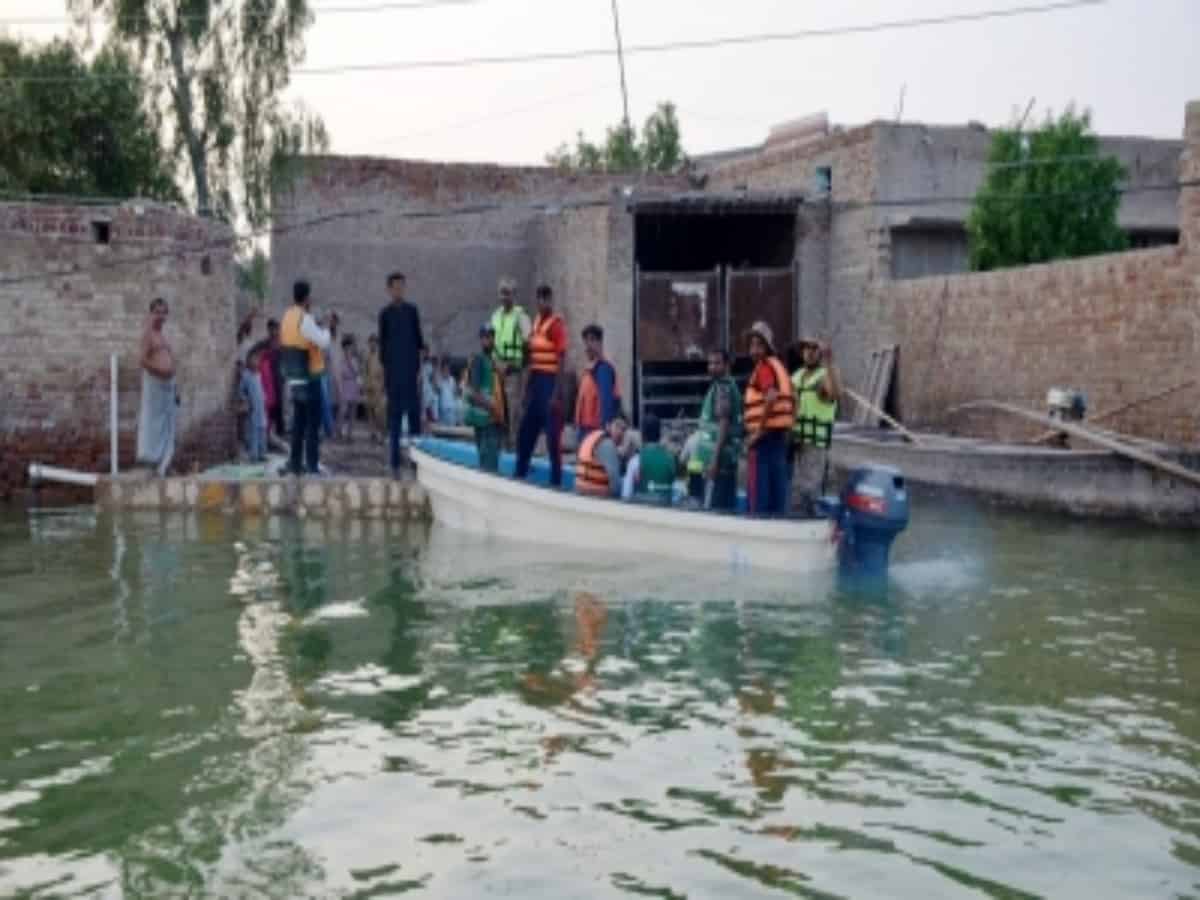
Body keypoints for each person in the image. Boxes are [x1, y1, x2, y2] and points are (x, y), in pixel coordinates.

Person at [515, 284, 567, 487]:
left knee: (553, 439)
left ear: (551, 300)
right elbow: (532, 361)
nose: (544, 302)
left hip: (550, 384)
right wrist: (526, 392)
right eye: (540, 299)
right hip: (537, 383)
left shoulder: (556, 325)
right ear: (537, 301)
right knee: (525, 432)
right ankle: (520, 472)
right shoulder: (536, 323)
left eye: (547, 298)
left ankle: (556, 483)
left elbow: (562, 359)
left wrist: (556, 393)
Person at [279, 279, 331, 476]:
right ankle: (311, 465)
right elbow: (323, 342)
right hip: (310, 376)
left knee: (299, 422)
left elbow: (295, 339)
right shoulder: (305, 318)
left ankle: (294, 463)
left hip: (294, 376)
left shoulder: (287, 316)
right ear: (307, 297)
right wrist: (325, 327)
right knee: (312, 424)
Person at [743, 321, 795, 517]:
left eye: (759, 345)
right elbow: (794, 399)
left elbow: (772, 396)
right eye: (752, 345)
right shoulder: (779, 367)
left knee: (758, 503)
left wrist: (758, 432)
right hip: (778, 440)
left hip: (764, 443)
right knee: (777, 500)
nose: (754, 350)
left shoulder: (764, 367)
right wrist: (788, 428)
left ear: (767, 347)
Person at [378, 272, 426, 476]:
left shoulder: (412, 311)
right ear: (389, 289)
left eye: (402, 287)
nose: (399, 290)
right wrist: (386, 375)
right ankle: (395, 465)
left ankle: (417, 464)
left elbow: (419, 342)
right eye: (395, 287)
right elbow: (382, 348)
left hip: (411, 375)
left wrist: (419, 371)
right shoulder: (385, 314)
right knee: (395, 422)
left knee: (415, 423)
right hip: (394, 377)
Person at [790, 337, 842, 516]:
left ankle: (810, 525)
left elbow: (834, 393)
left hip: (814, 444)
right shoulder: (796, 377)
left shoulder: (825, 376)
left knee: (810, 490)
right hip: (795, 442)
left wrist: (830, 363)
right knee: (795, 490)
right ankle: (794, 525)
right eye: (806, 348)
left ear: (820, 353)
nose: (809, 351)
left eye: (814, 348)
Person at [694, 348, 744, 512]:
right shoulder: (720, 386)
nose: (712, 367)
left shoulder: (724, 387)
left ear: (727, 365)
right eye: (710, 363)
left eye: (717, 363)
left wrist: (714, 461)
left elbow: (724, 424)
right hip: (719, 463)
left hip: (720, 465)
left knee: (717, 512)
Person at [136, 297, 178, 477]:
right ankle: (153, 463)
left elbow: (170, 363)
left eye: (163, 312)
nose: (160, 316)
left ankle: (165, 464)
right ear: (151, 314)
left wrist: (175, 386)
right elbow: (142, 360)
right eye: (157, 312)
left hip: (168, 386)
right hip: (155, 385)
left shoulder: (163, 336)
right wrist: (160, 371)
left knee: (168, 424)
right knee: (154, 424)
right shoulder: (148, 335)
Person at [491, 276, 531, 447]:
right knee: (499, 412)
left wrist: (519, 367)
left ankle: (514, 448)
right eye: (502, 293)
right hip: (497, 370)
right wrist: (495, 363)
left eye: (508, 293)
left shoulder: (521, 317)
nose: (504, 297)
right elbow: (491, 343)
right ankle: (501, 447)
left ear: (514, 295)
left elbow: (529, 345)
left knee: (514, 414)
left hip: (514, 372)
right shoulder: (495, 315)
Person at [464, 324, 507, 472]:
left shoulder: (492, 363)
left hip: (493, 421)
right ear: (481, 340)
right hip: (485, 422)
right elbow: (473, 394)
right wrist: (492, 408)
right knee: (488, 465)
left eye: (491, 337)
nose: (489, 340)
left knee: (491, 462)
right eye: (485, 337)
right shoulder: (478, 361)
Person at [574, 324, 620, 439]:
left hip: (595, 432)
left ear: (600, 343)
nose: (588, 345)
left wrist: (605, 429)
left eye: (592, 340)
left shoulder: (603, 369)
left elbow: (607, 402)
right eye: (586, 341)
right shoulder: (589, 371)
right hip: (584, 430)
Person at [621, 414, 677, 504]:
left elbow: (626, 495)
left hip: (643, 509)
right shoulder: (670, 459)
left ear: (642, 435)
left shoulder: (635, 460)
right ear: (659, 435)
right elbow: (674, 490)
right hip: (666, 507)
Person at [575, 413, 628, 499]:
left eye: (623, 429)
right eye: (617, 426)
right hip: (596, 497)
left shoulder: (593, 436)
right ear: (608, 426)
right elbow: (615, 483)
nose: (620, 432)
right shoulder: (607, 444)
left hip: (581, 492)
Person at [240, 346, 267, 462]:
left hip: (261, 408)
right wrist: (246, 401)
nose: (255, 362)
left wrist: (264, 399)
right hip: (253, 408)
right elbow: (241, 391)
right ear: (248, 361)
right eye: (252, 359)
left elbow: (262, 390)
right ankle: (254, 456)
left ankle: (262, 454)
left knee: (262, 431)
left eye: (257, 359)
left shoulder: (259, 375)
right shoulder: (246, 376)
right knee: (253, 432)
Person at [336, 334, 362, 441]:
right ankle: (339, 431)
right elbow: (342, 373)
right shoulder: (341, 359)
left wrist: (351, 361)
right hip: (345, 385)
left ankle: (349, 434)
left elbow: (357, 372)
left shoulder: (355, 359)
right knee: (343, 411)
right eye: (347, 347)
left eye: (350, 347)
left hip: (354, 385)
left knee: (352, 412)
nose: (349, 349)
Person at [364, 334, 386, 443]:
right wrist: (365, 384)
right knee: (370, 412)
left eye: (374, 342)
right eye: (370, 342)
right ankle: (373, 433)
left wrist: (383, 386)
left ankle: (382, 434)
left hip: (378, 387)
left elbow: (384, 372)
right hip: (369, 387)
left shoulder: (381, 356)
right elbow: (365, 371)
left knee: (379, 414)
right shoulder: (367, 356)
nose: (372, 344)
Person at [437, 357, 460, 426]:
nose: (446, 371)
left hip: (451, 409)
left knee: (452, 427)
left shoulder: (452, 379)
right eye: (445, 369)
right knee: (443, 428)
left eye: (447, 369)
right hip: (442, 409)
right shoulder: (439, 380)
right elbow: (438, 390)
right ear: (442, 370)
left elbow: (455, 393)